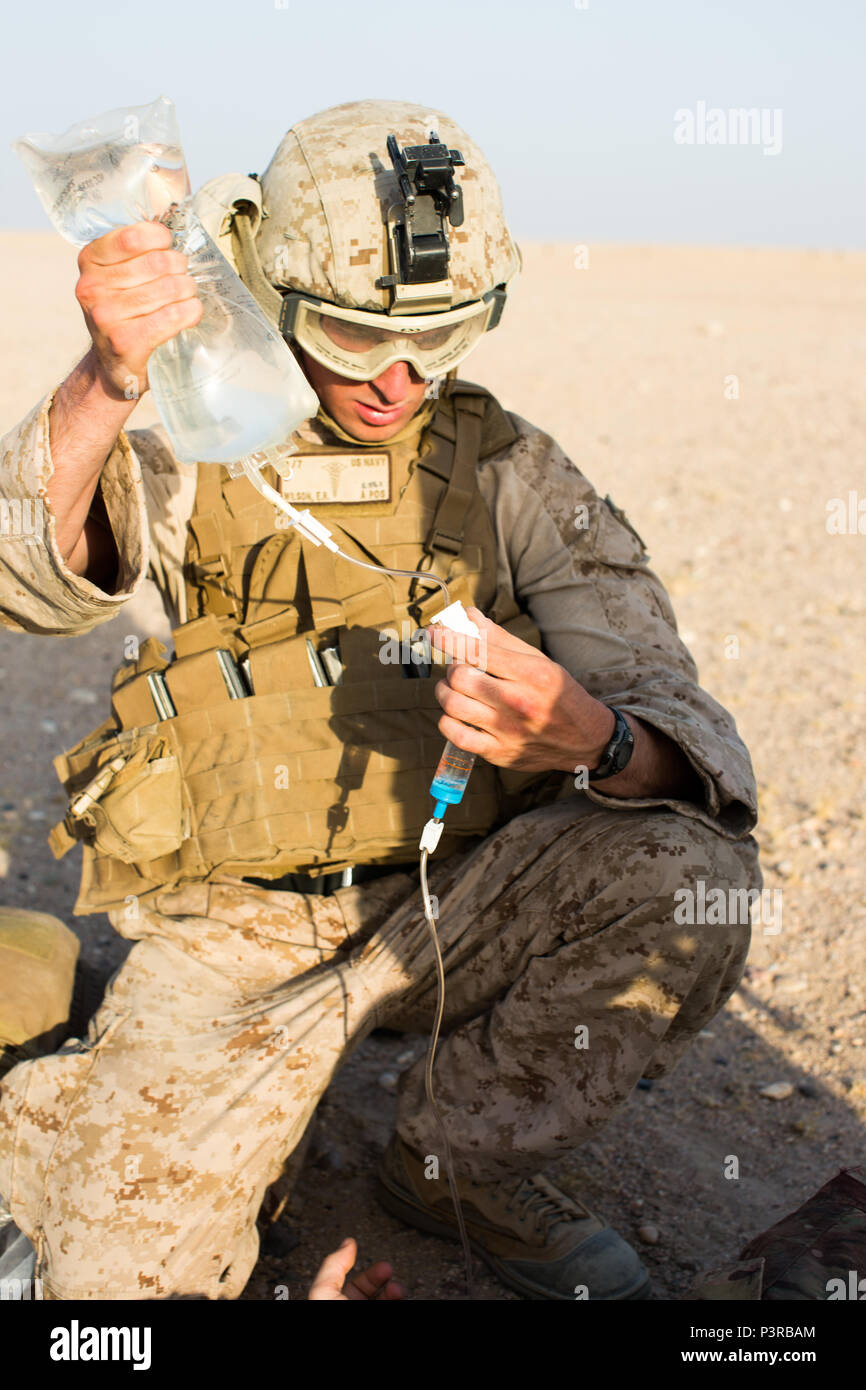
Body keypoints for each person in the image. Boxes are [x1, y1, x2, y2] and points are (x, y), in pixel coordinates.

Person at [0, 99, 761, 1302]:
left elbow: (689, 736)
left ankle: (454, 1158)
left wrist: (596, 738)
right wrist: (104, 381)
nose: (397, 380)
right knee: (107, 1290)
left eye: (440, 335)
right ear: (265, 286)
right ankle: (196, 1137)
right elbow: (24, 580)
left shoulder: (509, 469)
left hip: (453, 901)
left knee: (686, 875)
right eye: (355, 336)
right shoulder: (207, 430)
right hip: (232, 939)